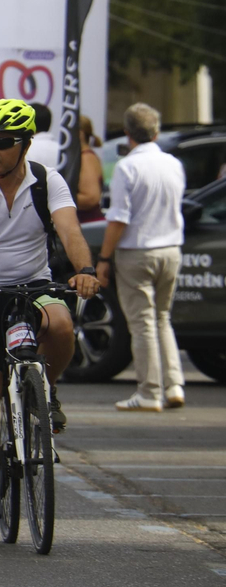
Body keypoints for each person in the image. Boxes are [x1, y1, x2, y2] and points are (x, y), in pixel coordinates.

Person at [0, 98, 99, 536]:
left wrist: (84, 271)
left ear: (25, 144)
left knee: (64, 324)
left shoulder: (49, 183)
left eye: (1, 143)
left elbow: (70, 232)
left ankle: (46, 389)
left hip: (35, 286)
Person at [96, 102, 186, 412]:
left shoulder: (128, 167)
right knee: (162, 319)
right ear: (156, 132)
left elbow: (119, 217)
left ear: (127, 133)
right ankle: (174, 384)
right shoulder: (173, 163)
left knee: (143, 323)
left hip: (137, 251)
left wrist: (104, 258)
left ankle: (149, 391)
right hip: (171, 249)